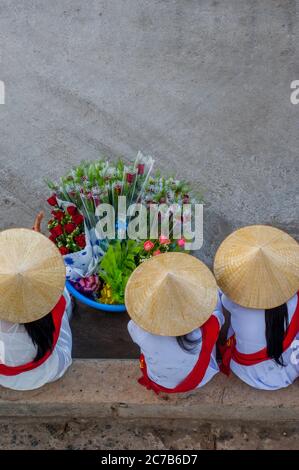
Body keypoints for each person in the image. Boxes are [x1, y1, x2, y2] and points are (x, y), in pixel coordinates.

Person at [214, 225, 299, 390]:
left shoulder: (235, 301)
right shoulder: (294, 300)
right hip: (288, 373)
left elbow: (225, 304)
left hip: (245, 371)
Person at [125, 252, 224, 394]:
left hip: (159, 380)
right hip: (199, 379)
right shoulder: (203, 331)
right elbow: (216, 315)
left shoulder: (138, 330)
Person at [0, 215, 72, 390]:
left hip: (5, 377)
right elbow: (57, 289)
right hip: (47, 371)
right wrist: (40, 256)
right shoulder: (54, 298)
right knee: (64, 301)